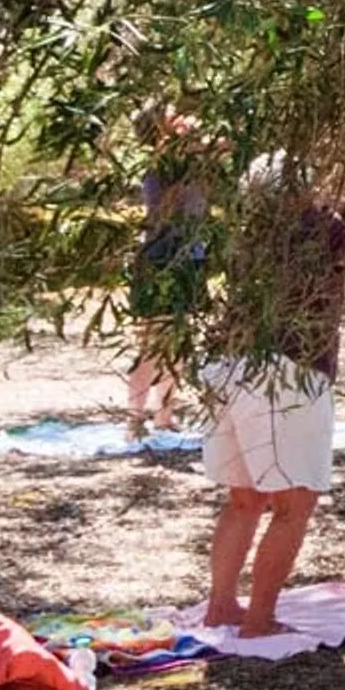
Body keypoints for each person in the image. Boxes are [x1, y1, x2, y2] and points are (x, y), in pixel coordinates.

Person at [199, 153, 345, 639]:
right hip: (287, 375)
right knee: (293, 503)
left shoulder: (247, 233)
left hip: (229, 365)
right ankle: (260, 619)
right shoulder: (318, 224)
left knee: (243, 498)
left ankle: (222, 604)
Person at [122, 100, 216, 442]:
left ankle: (164, 415)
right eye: (172, 117)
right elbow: (162, 212)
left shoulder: (188, 161)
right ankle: (134, 420)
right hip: (163, 256)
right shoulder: (159, 166)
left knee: (177, 342)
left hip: (188, 255)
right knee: (152, 341)